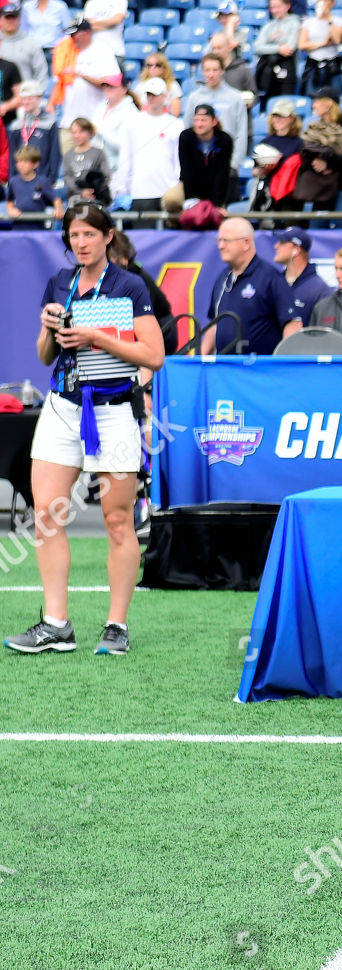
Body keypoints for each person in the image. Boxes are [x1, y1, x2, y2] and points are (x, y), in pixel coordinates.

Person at [3, 203, 164, 657]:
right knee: (46, 514)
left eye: (89, 234)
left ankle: (116, 625)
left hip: (112, 408)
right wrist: (48, 328)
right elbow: (42, 356)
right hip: (63, 404)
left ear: (108, 237)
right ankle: (56, 624)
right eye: (74, 234)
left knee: (117, 520)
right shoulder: (60, 282)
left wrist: (96, 337)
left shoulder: (129, 284)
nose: (81, 242)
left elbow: (153, 356)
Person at [202, 217, 303, 354]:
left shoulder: (270, 278)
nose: (221, 246)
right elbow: (215, 324)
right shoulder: (223, 278)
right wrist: (202, 359)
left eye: (226, 240)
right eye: (219, 240)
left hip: (259, 371)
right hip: (224, 369)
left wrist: (283, 366)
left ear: (246, 243)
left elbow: (292, 325)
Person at [115, 77, 182, 215]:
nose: (152, 98)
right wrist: (121, 187)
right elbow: (125, 156)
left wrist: (176, 185)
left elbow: (178, 159)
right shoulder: (132, 122)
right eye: (149, 94)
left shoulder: (176, 124)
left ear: (165, 96)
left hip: (168, 190)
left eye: (156, 95)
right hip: (141, 191)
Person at [55, 19, 118, 154]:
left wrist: (81, 75)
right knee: (69, 168)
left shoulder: (101, 51)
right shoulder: (66, 51)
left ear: (87, 33)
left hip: (93, 121)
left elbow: (112, 82)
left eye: (75, 34)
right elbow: (59, 82)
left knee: (93, 169)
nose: (71, 38)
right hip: (69, 122)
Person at [183, 54, 251, 164]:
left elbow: (241, 133)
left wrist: (235, 164)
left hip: (226, 161)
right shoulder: (194, 98)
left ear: (222, 71)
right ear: (203, 72)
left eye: (215, 70)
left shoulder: (236, 98)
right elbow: (188, 129)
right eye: (207, 70)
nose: (211, 74)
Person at [273, 227, 332, 325]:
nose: (276, 246)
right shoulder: (274, 282)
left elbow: (322, 331)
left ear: (296, 250)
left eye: (282, 243)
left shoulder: (319, 290)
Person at [254, 0, 303, 109]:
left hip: (287, 69)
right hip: (269, 70)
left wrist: (269, 47)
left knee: (286, 104)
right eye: (272, 7)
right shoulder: (268, 25)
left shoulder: (295, 23)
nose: (275, 10)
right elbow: (258, 47)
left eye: (278, 7)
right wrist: (278, 48)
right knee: (268, 104)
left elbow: (290, 48)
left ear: (287, 6)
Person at [9, 80, 59, 188]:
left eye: (30, 98)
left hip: (42, 180)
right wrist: (11, 179)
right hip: (20, 181)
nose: (26, 102)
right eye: (23, 99)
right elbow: (12, 155)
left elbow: (55, 154)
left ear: (40, 98)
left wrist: (51, 179)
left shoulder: (50, 122)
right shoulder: (17, 125)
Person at [299, 0, 342, 96]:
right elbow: (302, 45)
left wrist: (329, 19)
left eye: (325, 1)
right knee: (311, 95)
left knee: (335, 97)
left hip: (332, 65)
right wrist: (323, 44)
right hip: (313, 64)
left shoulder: (338, 21)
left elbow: (337, 40)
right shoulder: (309, 22)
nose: (322, 4)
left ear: (332, 3)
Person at [61, 118, 111, 205]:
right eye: (74, 132)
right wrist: (80, 192)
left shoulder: (98, 153)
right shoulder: (68, 155)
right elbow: (67, 177)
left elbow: (106, 175)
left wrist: (94, 191)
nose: (77, 136)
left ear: (89, 133)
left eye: (81, 132)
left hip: (94, 198)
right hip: (74, 199)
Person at [7, 143, 59, 224]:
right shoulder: (13, 181)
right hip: (18, 227)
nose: (21, 165)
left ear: (35, 164)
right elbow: (9, 201)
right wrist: (11, 209)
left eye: (25, 161)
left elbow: (56, 199)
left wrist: (58, 209)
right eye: (19, 161)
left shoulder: (43, 182)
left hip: (37, 228)